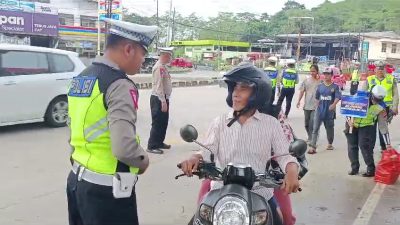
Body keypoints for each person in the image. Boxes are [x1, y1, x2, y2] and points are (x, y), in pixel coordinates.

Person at [179, 64, 300, 225]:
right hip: (220, 191)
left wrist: (291, 170)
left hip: (260, 192)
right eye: (234, 88)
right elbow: (207, 150)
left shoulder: (271, 124)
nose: (235, 94)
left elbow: (285, 155)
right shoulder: (219, 122)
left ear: (258, 93)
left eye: (243, 88)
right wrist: (195, 157)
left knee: (281, 219)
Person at [66, 19, 157, 225]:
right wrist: (143, 161)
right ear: (128, 49)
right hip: (108, 193)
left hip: (77, 182)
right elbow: (124, 148)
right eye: (143, 54)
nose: (143, 61)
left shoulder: (81, 78)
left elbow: (72, 131)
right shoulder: (119, 84)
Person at [345, 85, 393, 177]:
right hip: (352, 124)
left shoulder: (382, 107)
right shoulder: (359, 96)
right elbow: (347, 107)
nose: (376, 102)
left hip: (367, 127)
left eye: (378, 100)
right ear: (371, 94)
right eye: (375, 99)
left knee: (365, 146)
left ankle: (371, 169)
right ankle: (354, 168)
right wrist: (348, 120)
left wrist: (388, 144)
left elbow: (383, 126)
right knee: (352, 147)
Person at [366, 61, 399, 151]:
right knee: (371, 128)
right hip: (372, 108)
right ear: (375, 69)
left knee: (383, 127)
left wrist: (395, 107)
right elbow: (363, 94)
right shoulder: (369, 79)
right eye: (378, 68)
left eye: (382, 68)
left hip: (385, 108)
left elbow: (395, 94)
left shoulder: (391, 79)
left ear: (385, 69)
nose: (380, 70)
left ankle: (384, 147)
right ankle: (370, 148)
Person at [147, 47, 174, 154]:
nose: (170, 58)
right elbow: (158, 86)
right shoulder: (158, 68)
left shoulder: (163, 67)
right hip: (158, 99)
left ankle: (159, 142)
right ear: (164, 56)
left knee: (163, 122)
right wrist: (163, 101)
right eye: (169, 56)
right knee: (157, 122)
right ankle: (152, 145)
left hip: (163, 98)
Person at [308, 67, 341, 154]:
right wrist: (316, 105)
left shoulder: (335, 87)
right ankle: (312, 147)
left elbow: (338, 97)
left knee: (329, 128)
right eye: (325, 74)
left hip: (329, 112)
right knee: (315, 129)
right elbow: (317, 97)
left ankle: (330, 143)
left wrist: (333, 104)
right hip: (319, 111)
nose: (326, 76)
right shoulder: (320, 86)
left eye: (328, 74)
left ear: (331, 75)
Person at [296, 64, 321, 144]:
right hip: (307, 105)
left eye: (314, 71)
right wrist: (299, 101)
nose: (312, 72)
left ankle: (313, 138)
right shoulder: (306, 81)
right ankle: (310, 136)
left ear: (317, 71)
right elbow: (302, 91)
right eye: (311, 71)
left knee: (312, 123)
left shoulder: (320, 82)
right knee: (306, 124)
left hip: (316, 106)